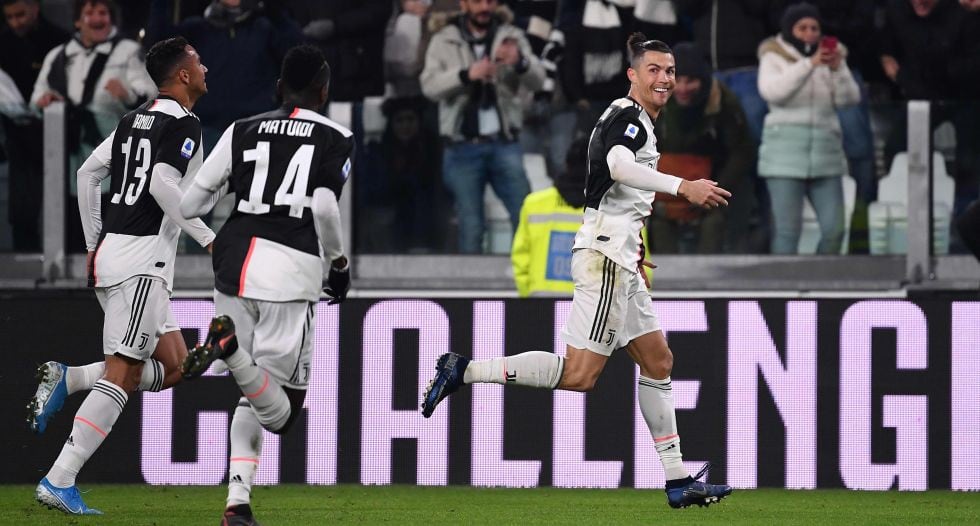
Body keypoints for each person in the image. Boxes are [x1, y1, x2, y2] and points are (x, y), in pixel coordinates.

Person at [422, 33, 733, 509]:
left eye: (669, 70)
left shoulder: (629, 117)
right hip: (605, 256)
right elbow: (618, 165)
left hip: (619, 255)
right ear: (632, 74)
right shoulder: (629, 118)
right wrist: (682, 185)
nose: (665, 78)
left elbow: (619, 191)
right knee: (580, 376)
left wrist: (635, 250)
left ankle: (677, 479)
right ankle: (463, 370)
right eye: (654, 69)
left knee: (658, 361)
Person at [33, 36, 216, 515]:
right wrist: (209, 238)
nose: (203, 66)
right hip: (140, 263)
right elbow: (160, 183)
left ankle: (69, 379)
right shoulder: (185, 124)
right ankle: (59, 478)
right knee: (124, 373)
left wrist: (96, 243)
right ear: (182, 75)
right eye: (197, 60)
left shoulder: (134, 118)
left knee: (177, 366)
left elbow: (87, 175)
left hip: (119, 257)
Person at [178, 45, 353, 526]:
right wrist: (339, 265)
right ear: (324, 91)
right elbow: (322, 205)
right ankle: (229, 349)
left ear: (278, 88)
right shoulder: (337, 136)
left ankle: (237, 502)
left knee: (251, 395)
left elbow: (190, 204)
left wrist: (218, 231)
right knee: (281, 414)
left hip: (232, 265)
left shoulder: (241, 130)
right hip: (288, 272)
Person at [30, 0, 157, 251]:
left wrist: (128, 95)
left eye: (103, 12)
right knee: (75, 212)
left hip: (113, 145)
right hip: (69, 149)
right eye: (90, 13)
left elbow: (151, 95)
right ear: (78, 21)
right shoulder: (59, 55)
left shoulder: (128, 51)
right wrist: (44, 101)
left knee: (111, 213)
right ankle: (75, 275)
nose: (98, 18)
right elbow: (37, 96)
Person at [420, 0, 545, 253]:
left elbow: (539, 80)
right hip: (462, 146)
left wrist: (520, 61)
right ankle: (471, 290)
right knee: (471, 225)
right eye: (477, 2)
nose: (484, 7)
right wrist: (466, 75)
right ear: (464, 4)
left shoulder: (511, 36)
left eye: (489, 1)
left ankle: (522, 280)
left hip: (504, 142)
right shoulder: (444, 38)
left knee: (524, 215)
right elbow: (429, 86)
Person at [757, 2, 860, 254]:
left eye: (814, 28)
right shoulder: (772, 56)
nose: (810, 33)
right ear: (789, 29)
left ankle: (822, 286)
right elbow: (773, 92)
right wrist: (808, 65)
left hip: (826, 155)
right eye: (802, 28)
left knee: (835, 230)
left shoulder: (833, 57)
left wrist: (838, 70)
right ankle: (782, 290)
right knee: (787, 233)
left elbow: (850, 99)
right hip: (784, 158)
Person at [651, 42, 754, 254]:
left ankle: (710, 280)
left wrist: (713, 193)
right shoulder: (652, 100)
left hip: (714, 185)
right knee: (657, 224)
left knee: (715, 223)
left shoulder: (723, 101)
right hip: (666, 188)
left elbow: (741, 152)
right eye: (676, 80)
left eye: (691, 81)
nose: (682, 88)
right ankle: (664, 282)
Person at [0, 0, 67, 252]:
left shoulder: (59, 41)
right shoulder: (3, 43)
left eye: (20, 15)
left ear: (35, 9)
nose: (15, 22)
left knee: (64, 206)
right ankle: (24, 262)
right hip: (18, 138)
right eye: (9, 17)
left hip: (60, 135)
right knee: (22, 210)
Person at [511, 137, 588, 297]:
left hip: (541, 307)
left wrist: (528, 296)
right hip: (595, 312)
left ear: (567, 165)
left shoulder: (534, 204)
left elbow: (521, 259)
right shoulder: (619, 210)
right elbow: (639, 268)